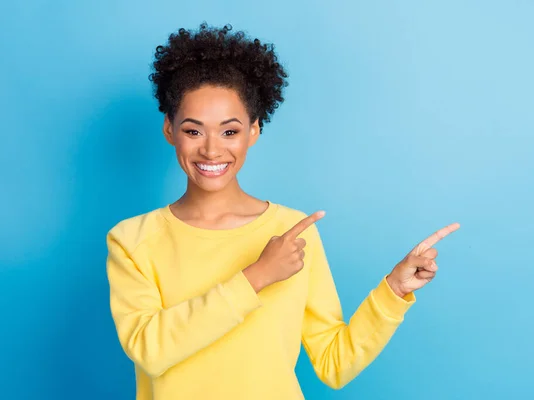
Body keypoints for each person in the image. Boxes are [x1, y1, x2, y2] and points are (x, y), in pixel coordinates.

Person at [106, 23, 460, 400]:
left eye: (230, 132)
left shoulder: (293, 230)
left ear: (253, 131)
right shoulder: (132, 240)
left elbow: (334, 362)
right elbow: (149, 349)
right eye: (194, 131)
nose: (211, 150)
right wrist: (256, 276)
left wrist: (394, 290)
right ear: (169, 129)